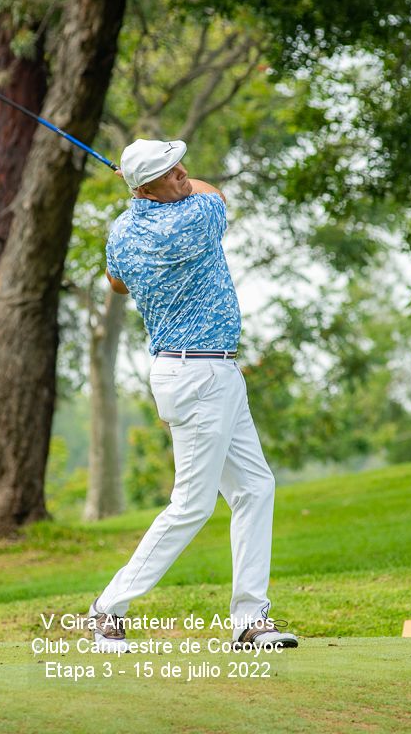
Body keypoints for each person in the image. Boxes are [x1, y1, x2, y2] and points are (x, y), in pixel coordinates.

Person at [86, 138, 298, 652]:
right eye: (169, 170)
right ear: (146, 187)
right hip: (200, 375)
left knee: (255, 488)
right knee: (192, 505)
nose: (182, 172)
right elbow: (215, 192)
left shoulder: (122, 231)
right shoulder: (196, 216)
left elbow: (116, 283)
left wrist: (141, 194)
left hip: (201, 372)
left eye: (179, 163)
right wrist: (150, 188)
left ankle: (250, 619)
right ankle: (107, 610)